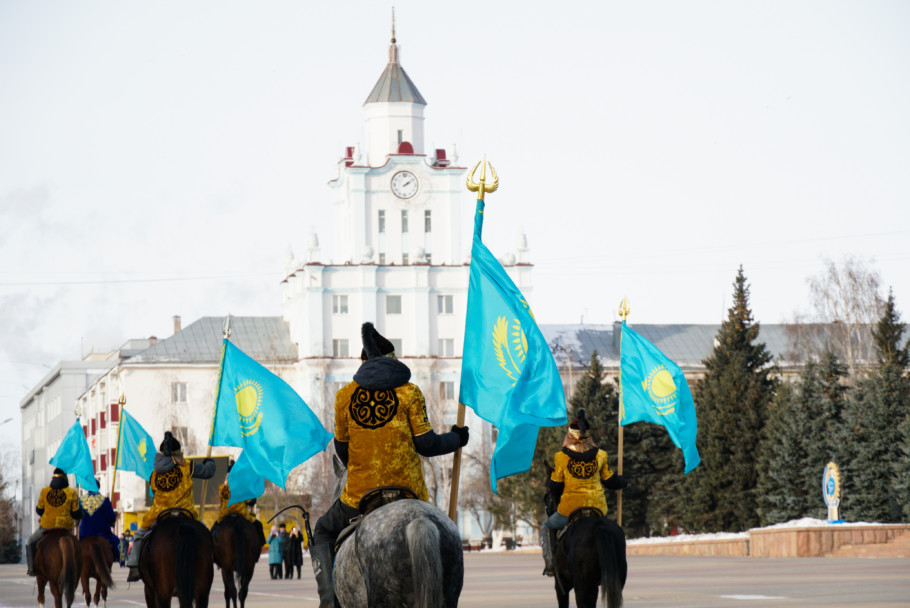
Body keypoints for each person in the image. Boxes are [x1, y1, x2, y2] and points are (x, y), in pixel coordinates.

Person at [310, 322, 470, 608]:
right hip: (409, 490)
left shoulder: (344, 396)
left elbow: (342, 450)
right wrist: (457, 438)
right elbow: (427, 445)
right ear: (394, 359)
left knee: (322, 530)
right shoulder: (410, 392)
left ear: (364, 362)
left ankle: (328, 602)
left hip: (360, 492)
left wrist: (363, 465)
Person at [540, 409, 627, 576]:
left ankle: (550, 564)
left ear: (570, 435)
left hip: (569, 509)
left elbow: (556, 486)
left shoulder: (561, 457)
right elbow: (611, 481)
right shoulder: (600, 455)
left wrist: (552, 482)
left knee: (546, 527)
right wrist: (624, 480)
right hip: (597, 508)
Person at [125, 431, 215, 582]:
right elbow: (208, 472)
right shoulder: (186, 467)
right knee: (206, 535)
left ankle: (134, 567)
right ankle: (211, 561)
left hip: (159, 514)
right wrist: (209, 462)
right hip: (186, 513)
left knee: (139, 536)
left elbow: (154, 492)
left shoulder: (154, 475)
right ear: (176, 454)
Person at [25, 468, 83, 576]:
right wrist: (80, 515)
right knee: (77, 545)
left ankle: (31, 568)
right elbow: (75, 513)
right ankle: (80, 567)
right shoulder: (71, 492)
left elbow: (39, 510)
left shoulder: (45, 491)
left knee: (29, 541)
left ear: (53, 477)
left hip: (47, 526)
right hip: (65, 527)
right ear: (65, 478)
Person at [213, 459, 266, 547]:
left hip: (225, 514)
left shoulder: (222, 488)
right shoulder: (242, 486)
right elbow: (250, 501)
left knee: (212, 533)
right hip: (242, 514)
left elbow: (221, 504)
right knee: (258, 525)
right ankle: (258, 548)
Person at [78, 479, 121, 564]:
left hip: (85, 534)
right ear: (98, 487)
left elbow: (78, 516)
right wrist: (112, 521)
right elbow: (111, 518)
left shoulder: (80, 500)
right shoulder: (105, 500)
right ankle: (117, 558)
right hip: (103, 533)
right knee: (117, 542)